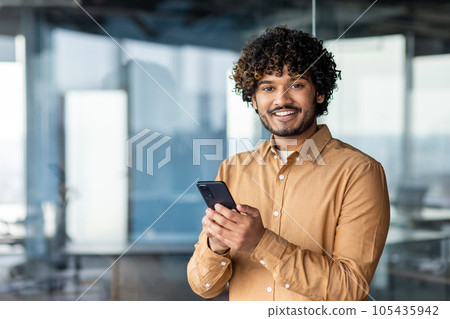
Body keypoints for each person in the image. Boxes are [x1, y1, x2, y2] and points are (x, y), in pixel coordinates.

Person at [187, 26, 390, 301]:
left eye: (296, 85)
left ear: (319, 93)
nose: (281, 99)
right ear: (255, 100)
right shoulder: (232, 169)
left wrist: (261, 243)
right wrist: (217, 245)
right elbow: (204, 287)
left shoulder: (359, 172)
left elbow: (350, 289)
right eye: (268, 88)